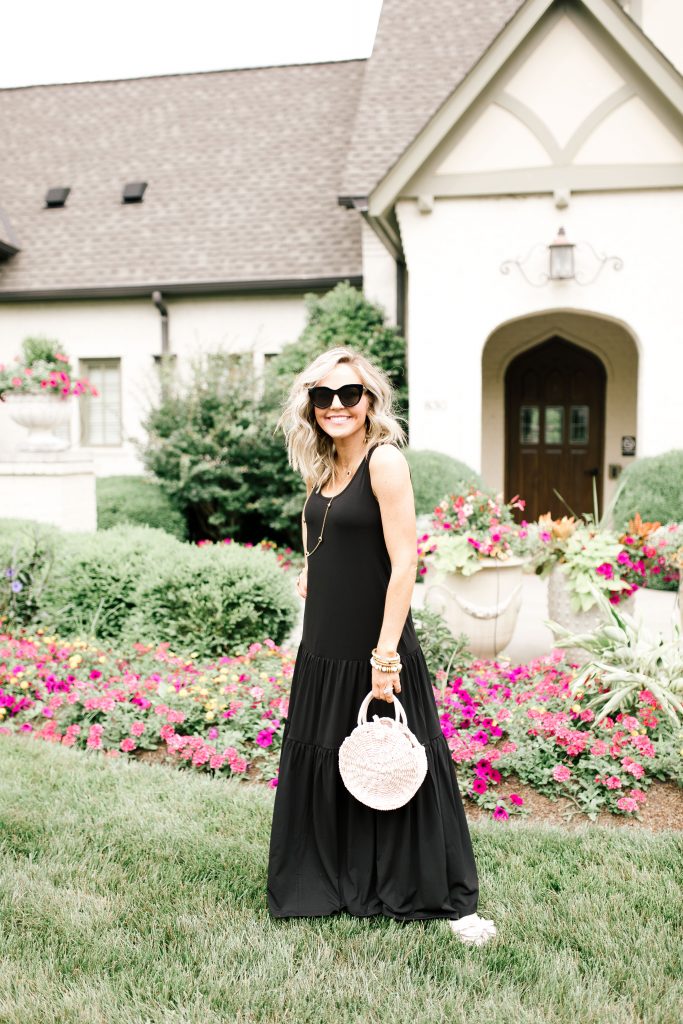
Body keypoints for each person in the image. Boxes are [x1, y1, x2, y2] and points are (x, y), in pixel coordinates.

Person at [266, 345, 496, 946]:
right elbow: (319, 530)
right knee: (331, 756)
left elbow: (404, 562)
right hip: (323, 642)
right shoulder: (323, 465)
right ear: (310, 405)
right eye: (323, 396)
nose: (336, 405)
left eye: (349, 394)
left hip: (375, 642)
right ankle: (333, 880)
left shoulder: (383, 461)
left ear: (370, 402)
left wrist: (385, 655)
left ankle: (449, 901)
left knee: (399, 762)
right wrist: (313, 569)